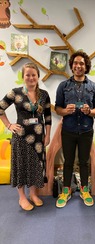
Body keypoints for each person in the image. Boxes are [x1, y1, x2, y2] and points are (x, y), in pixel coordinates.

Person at [0, 62, 52, 211]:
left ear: (38, 77)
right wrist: (9, 125)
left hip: (38, 138)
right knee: (21, 166)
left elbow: (48, 117)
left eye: (33, 75)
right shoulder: (15, 93)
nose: (31, 77)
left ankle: (33, 194)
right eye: (27, 75)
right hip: (21, 137)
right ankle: (22, 197)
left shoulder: (44, 95)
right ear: (23, 77)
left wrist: (48, 135)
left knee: (37, 166)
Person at [55, 51, 95, 208]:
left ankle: (84, 190)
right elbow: (57, 108)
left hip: (86, 131)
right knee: (67, 162)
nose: (78, 66)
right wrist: (64, 111)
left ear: (86, 66)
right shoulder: (63, 86)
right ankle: (66, 191)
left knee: (84, 162)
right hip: (68, 130)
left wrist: (90, 111)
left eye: (81, 63)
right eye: (75, 63)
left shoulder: (94, 87)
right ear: (72, 65)